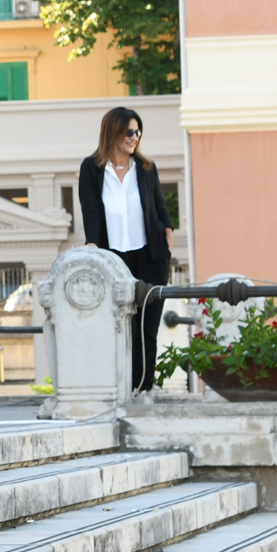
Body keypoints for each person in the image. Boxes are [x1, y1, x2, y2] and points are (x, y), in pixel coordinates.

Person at [78, 107, 174, 392]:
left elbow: (159, 207)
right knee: (117, 328)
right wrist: (92, 244)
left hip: (150, 256)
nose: (135, 137)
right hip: (113, 259)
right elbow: (90, 209)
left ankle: (143, 390)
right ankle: (118, 390)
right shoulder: (91, 169)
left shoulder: (145, 168)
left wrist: (168, 234)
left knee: (148, 329)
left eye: (138, 132)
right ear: (113, 132)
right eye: (129, 131)